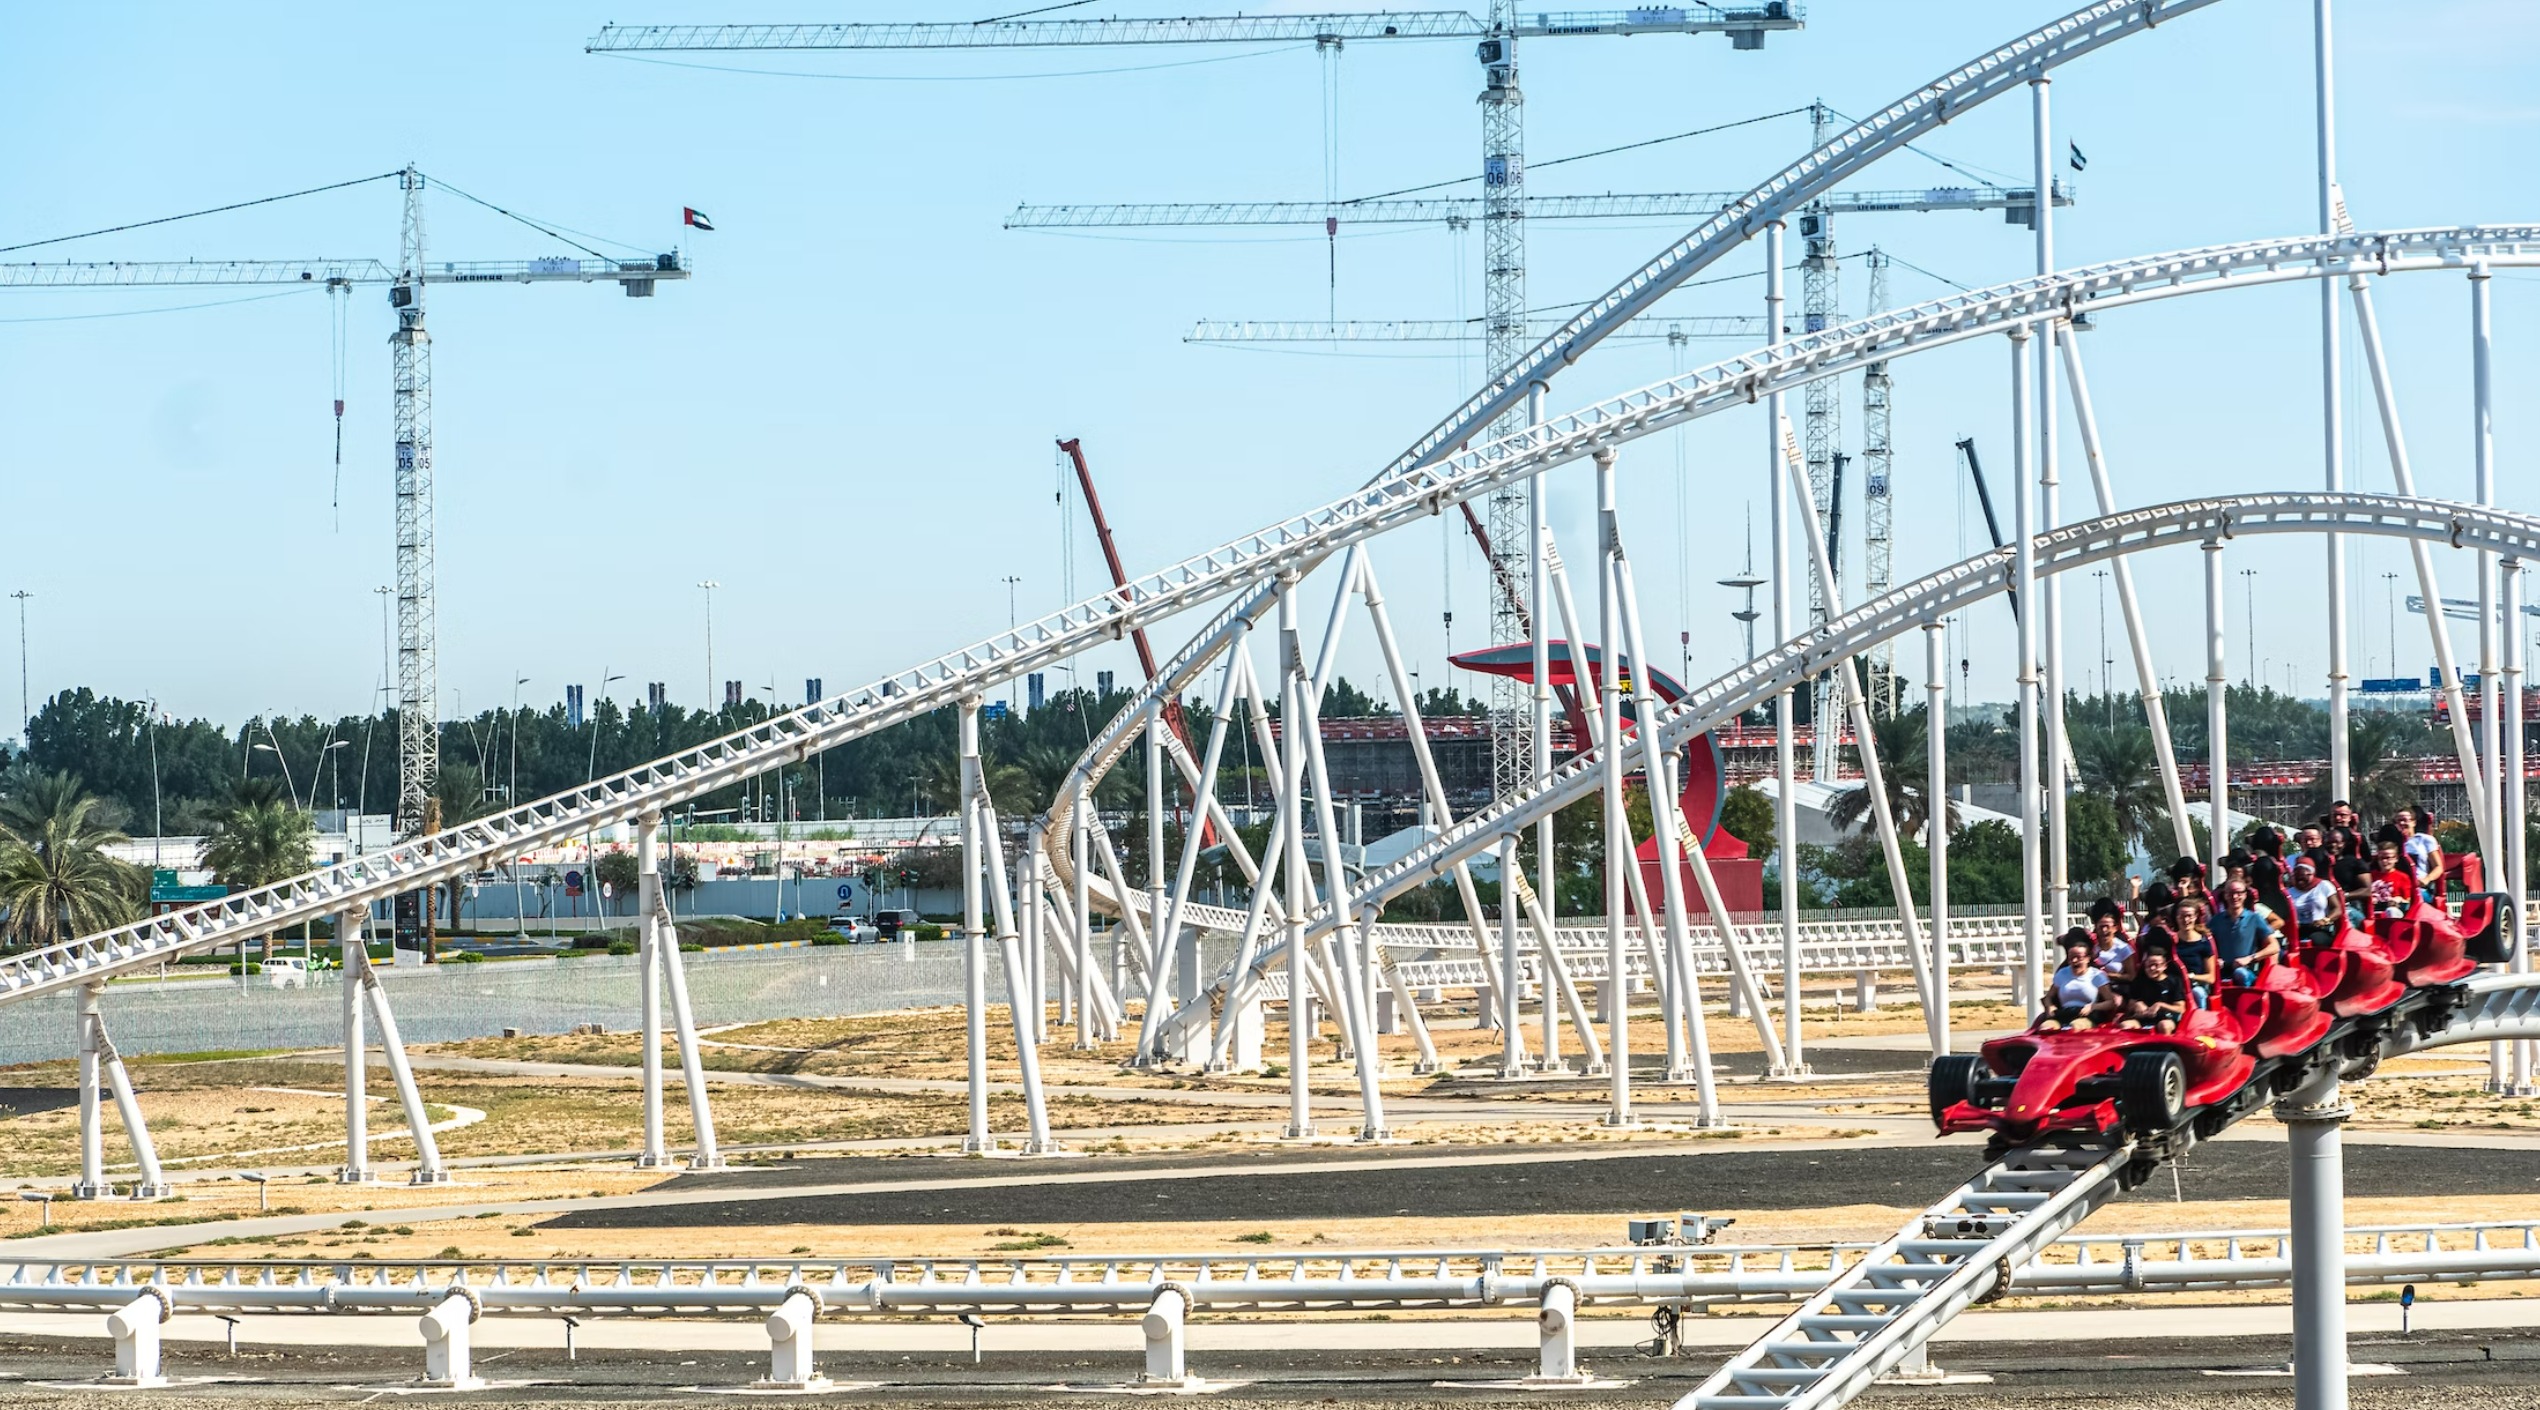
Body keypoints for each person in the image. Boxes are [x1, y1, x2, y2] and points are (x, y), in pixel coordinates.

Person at [2038, 932, 2114, 1031]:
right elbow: (2049, 997)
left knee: (2074, 1027)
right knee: (2046, 1027)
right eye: (2071, 958)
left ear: (2087, 958)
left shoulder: (2097, 975)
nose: (2074, 961)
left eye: (2078, 957)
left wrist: (2093, 1007)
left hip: (2086, 1014)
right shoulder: (2062, 973)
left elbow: (2111, 1002)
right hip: (2065, 1013)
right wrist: (2050, 1006)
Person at [2212, 881, 2283, 986]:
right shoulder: (2216, 920)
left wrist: (2250, 958)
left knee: (2240, 973)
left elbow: (2274, 946)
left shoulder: (2254, 918)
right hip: (2223, 971)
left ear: (2245, 895)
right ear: (2225, 895)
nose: (2235, 896)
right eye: (2230, 893)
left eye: (2239, 893)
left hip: (2246, 970)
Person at [2116, 944, 2189, 1033]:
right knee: (2125, 1025)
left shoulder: (2174, 981)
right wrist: (2137, 1004)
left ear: (2164, 966)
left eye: (2156, 965)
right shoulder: (2139, 981)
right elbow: (2129, 1007)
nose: (2152, 968)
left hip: (2166, 1018)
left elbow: (2180, 1008)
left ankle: (2165, 1046)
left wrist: (2160, 1005)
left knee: (2164, 1026)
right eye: (2149, 965)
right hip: (2142, 1018)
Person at [2172, 896, 2219, 1004]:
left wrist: (2191, 977)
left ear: (2195, 917)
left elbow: (2211, 977)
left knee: (2197, 993)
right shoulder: (2171, 940)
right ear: (2176, 917)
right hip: (2174, 985)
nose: (2185, 920)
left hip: (2195, 985)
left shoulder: (2204, 943)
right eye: (2181, 916)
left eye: (2189, 916)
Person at [2286, 855, 2342, 944]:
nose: (2300, 881)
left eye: (2303, 878)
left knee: (2316, 940)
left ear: (2311, 873)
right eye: (2298, 878)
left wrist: (2326, 920)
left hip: (2320, 928)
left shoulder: (2324, 885)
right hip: (2299, 929)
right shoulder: (2289, 892)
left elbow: (2337, 909)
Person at [2369, 831, 2417, 919]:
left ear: (2396, 858)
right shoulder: (2371, 876)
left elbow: (2408, 900)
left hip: (2394, 911)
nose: (2384, 861)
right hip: (2373, 910)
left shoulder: (2403, 877)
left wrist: (2398, 900)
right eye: (2381, 858)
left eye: (2388, 858)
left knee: (2391, 911)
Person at [2089, 905, 2135, 978]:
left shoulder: (2124, 948)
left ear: (2115, 928)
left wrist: (2107, 975)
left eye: (2107, 926)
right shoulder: (2091, 947)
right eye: (2101, 927)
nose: (2104, 930)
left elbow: (2131, 976)